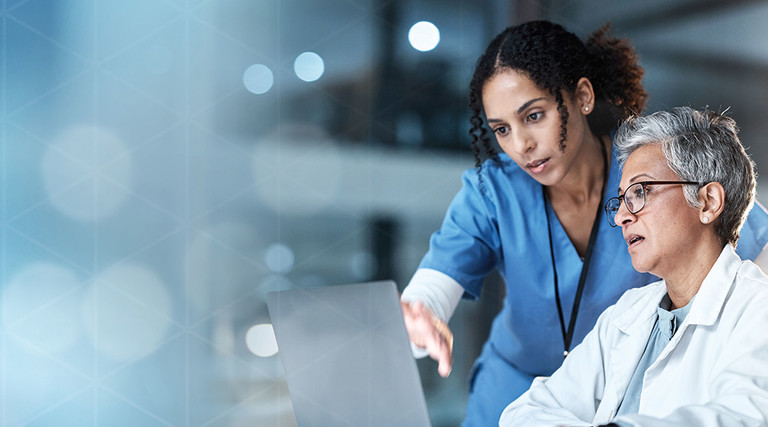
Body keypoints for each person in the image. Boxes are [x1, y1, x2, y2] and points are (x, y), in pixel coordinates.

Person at [399, 20, 768, 426]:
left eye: (534, 115)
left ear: (583, 97)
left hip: (619, 384)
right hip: (512, 388)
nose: (521, 145)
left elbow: (733, 220)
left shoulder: (647, 175)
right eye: (502, 129)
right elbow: (433, 286)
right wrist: (421, 315)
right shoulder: (495, 192)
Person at [500, 106, 768, 426]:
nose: (620, 216)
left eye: (640, 192)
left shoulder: (756, 310)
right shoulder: (627, 314)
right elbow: (524, 413)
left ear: (708, 202)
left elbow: (743, 417)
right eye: (621, 198)